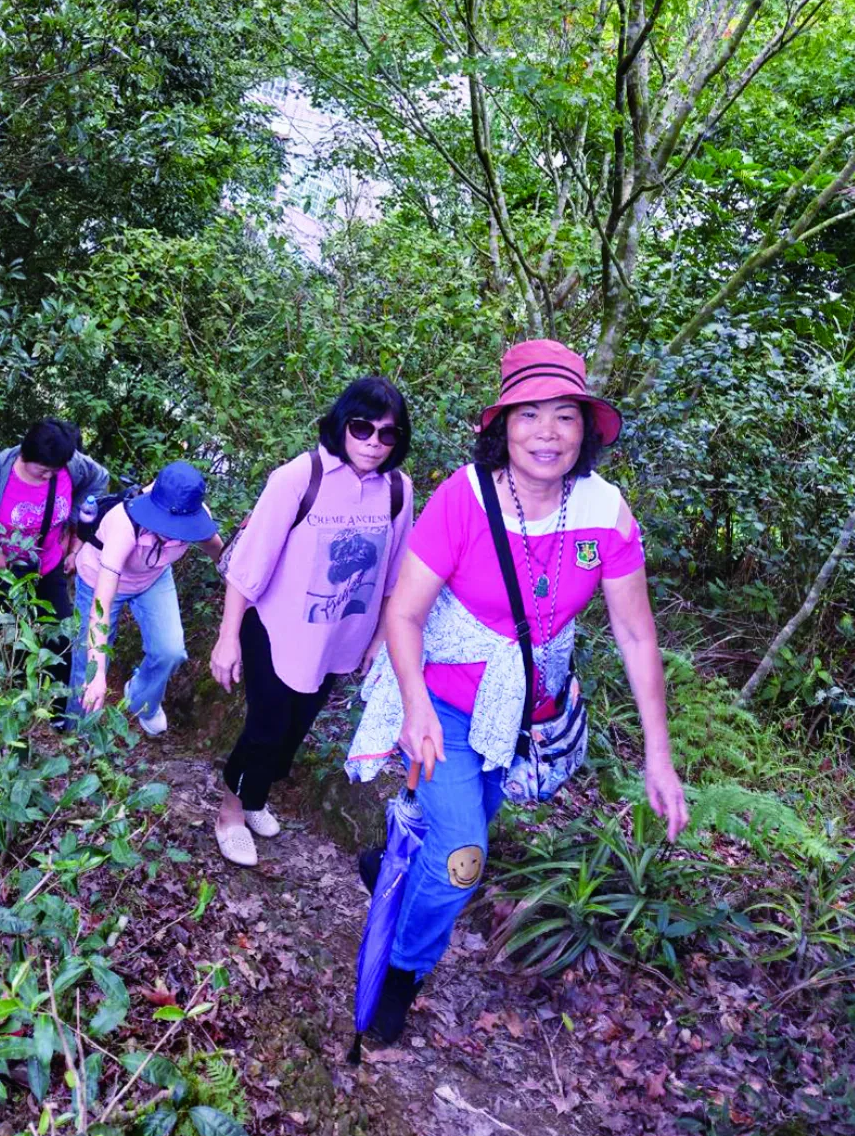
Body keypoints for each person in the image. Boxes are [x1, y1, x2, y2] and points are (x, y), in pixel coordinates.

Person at [350, 339, 689, 1045]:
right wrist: (414, 706)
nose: (546, 433)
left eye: (564, 416)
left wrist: (660, 754)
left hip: (518, 715)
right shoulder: (464, 499)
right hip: (441, 700)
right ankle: (403, 976)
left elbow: (636, 636)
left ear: (585, 430)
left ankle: (391, 863)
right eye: (528, 414)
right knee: (462, 858)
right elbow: (404, 612)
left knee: (452, 840)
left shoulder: (605, 513)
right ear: (501, 425)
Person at [210, 377, 415, 867]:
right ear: (343, 424)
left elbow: (393, 573)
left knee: (294, 730)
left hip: (337, 638)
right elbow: (249, 563)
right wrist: (226, 638)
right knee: (265, 728)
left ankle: (256, 795)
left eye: (387, 435)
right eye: (363, 428)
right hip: (276, 630)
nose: (372, 443)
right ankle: (231, 812)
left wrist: (380, 640)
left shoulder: (397, 490)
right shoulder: (300, 477)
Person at [0, 419, 108, 693]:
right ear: (25, 455)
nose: (48, 477)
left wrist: (74, 520)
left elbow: (99, 479)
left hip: (49, 566)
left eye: (53, 472)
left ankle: (55, 718)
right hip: (3, 571)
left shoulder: (69, 465)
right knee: (1, 639)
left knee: (60, 641)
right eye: (43, 471)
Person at [74, 461, 226, 735]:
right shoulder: (124, 523)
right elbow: (101, 604)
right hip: (98, 579)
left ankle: (142, 700)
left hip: (153, 578)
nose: (173, 531)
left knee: (170, 651)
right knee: (87, 666)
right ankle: (78, 734)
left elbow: (220, 555)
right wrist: (98, 675)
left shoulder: (195, 516)